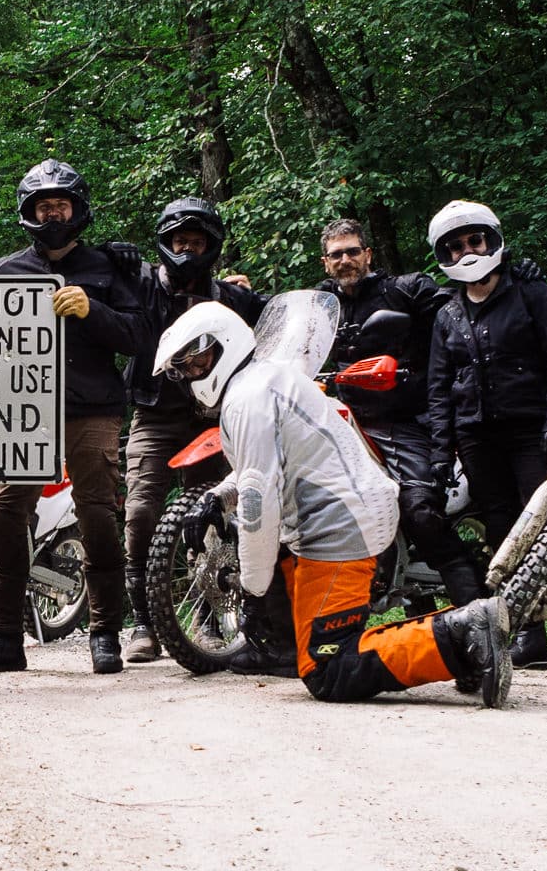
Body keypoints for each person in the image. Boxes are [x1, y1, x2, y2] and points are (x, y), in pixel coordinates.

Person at [153, 300, 513, 706]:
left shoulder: (247, 399)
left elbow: (257, 499)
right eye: (184, 367)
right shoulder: (263, 380)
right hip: (342, 514)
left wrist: (252, 584)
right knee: (302, 626)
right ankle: (286, 645)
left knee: (328, 669)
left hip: (337, 528)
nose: (192, 373)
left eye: (198, 360)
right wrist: (219, 498)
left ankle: (464, 632)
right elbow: (267, 465)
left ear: (227, 345)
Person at [0, 160, 145, 678]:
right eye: (44, 206)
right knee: (4, 511)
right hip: (24, 411)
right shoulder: (4, 272)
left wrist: (94, 310)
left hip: (92, 406)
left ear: (77, 208)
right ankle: (4, 638)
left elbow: (138, 337)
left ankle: (104, 632)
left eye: (61, 204)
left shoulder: (109, 267)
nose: (53, 213)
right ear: (28, 212)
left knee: (96, 513)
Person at [423, 201, 547, 676]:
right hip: (476, 438)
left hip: (531, 431)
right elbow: (438, 389)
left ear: (492, 240)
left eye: (474, 241)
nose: (467, 251)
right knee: (503, 533)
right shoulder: (448, 315)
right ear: (444, 253)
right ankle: (528, 636)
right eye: (456, 246)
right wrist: (442, 454)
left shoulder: (532, 293)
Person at [121, 198, 265, 663]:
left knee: (218, 513)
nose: (187, 249)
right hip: (156, 412)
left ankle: (211, 615)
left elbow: (272, 333)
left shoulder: (234, 298)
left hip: (215, 418)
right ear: (165, 244)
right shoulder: (140, 287)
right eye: (179, 241)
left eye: (197, 242)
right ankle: (143, 621)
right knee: (141, 509)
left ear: (213, 246)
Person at [314, 219, 485, 610]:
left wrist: (506, 277)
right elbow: (279, 326)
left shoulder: (404, 290)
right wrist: (234, 295)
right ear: (326, 262)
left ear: (367, 254)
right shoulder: (321, 303)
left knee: (418, 507)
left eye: (353, 251)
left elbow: (462, 308)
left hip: (404, 420)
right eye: (337, 254)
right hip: (344, 422)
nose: (346, 260)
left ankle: (476, 610)